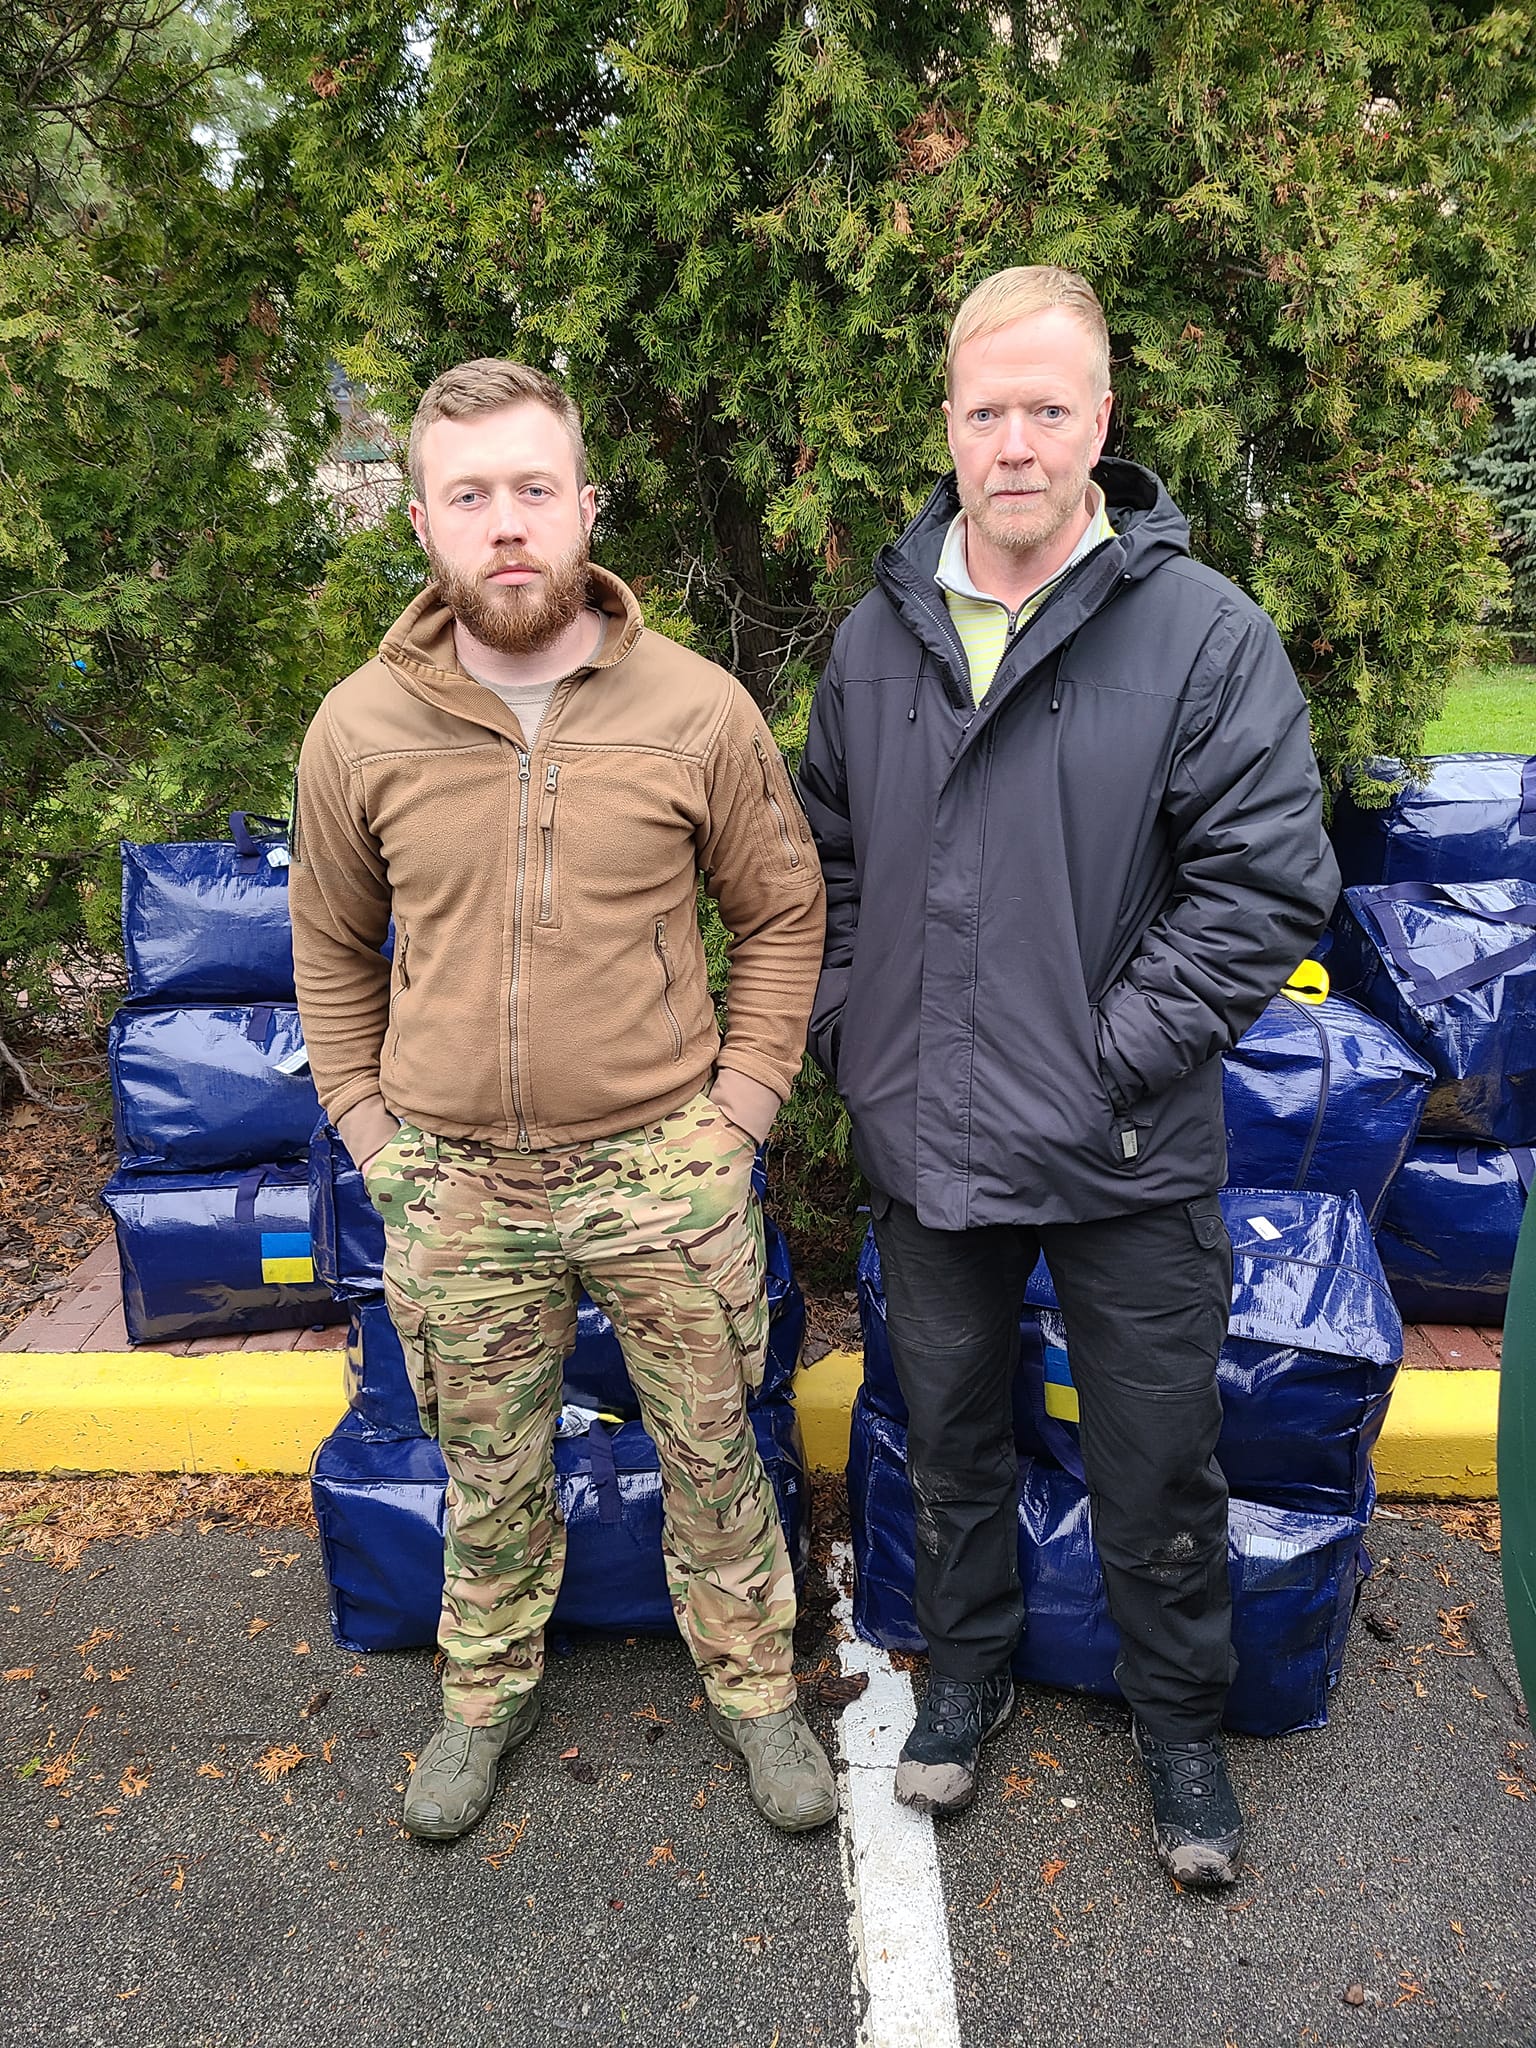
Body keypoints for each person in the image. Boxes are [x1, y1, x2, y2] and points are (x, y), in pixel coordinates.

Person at [797, 267, 1339, 1887]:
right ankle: (964, 1678)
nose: (1016, 442)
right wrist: (855, 1034)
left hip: (1126, 1143)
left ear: (1102, 419)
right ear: (949, 425)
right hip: (930, 1141)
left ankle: (1180, 1723)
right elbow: (822, 872)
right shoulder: (878, 639)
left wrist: (1107, 1060)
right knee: (952, 1438)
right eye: (988, 411)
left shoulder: (1202, 634)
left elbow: (1261, 888)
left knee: (1157, 1457)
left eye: (1048, 408)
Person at [290, 359, 836, 1841]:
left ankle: (758, 1694)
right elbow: (329, 945)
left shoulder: (697, 710)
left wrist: (739, 1113)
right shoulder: (358, 730)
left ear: (587, 506)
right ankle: (481, 1699)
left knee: (715, 1452)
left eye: (534, 488)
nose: (507, 523)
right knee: (487, 1468)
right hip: (454, 1180)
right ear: (423, 522)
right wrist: (371, 1134)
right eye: (470, 495)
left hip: (663, 1166)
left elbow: (783, 912)